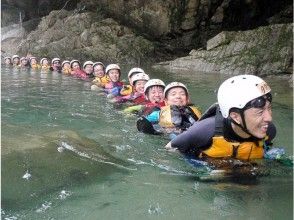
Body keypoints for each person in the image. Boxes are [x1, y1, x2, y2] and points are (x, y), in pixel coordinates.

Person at [165, 75, 276, 161]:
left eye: (269, 108)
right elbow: (170, 148)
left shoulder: (269, 131)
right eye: (260, 112)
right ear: (235, 116)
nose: (269, 118)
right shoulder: (204, 130)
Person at [137, 82, 201, 138]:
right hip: (174, 138)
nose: (178, 96)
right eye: (173, 94)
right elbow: (143, 122)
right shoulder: (159, 113)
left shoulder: (193, 111)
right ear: (166, 100)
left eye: (182, 94)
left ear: (187, 99)